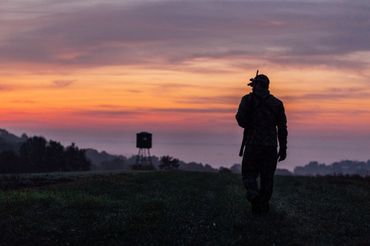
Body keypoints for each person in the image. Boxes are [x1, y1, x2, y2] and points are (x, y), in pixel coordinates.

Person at [236, 72, 288, 214]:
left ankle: (254, 198)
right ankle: (263, 204)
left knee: (248, 174)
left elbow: (240, 120)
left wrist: (250, 121)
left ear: (256, 86)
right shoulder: (277, 103)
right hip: (270, 147)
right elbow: (282, 128)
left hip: (252, 145)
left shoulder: (247, 100)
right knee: (267, 178)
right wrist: (283, 148)